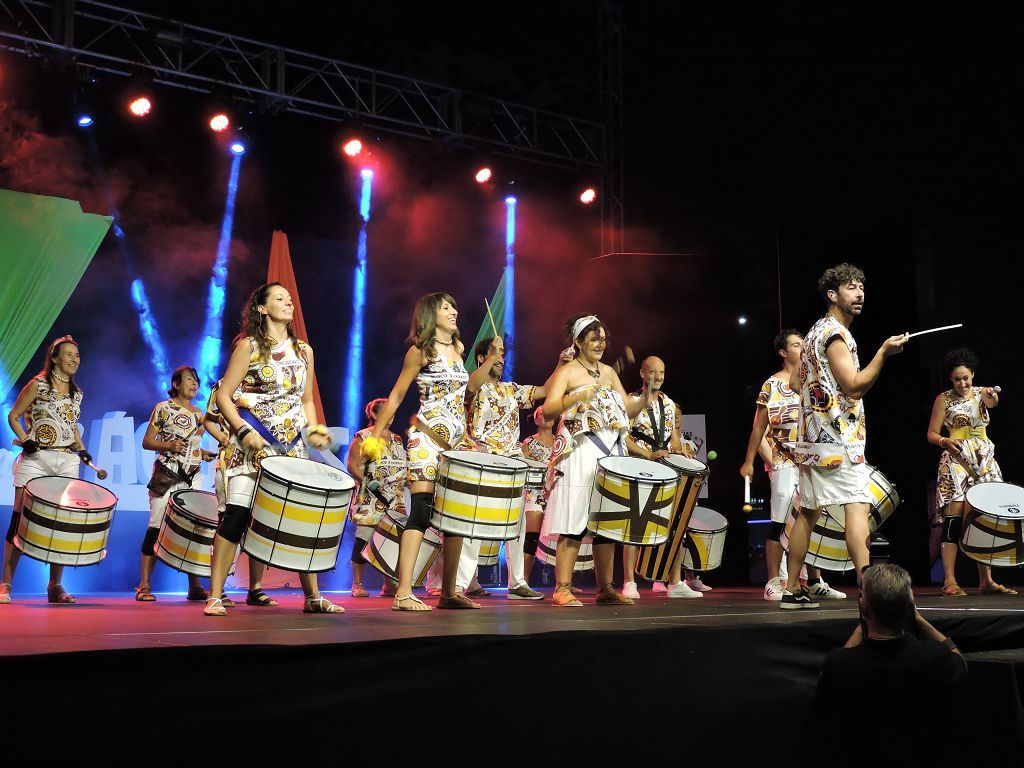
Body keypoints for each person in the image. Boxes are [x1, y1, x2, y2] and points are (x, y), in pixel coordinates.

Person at [203, 282, 342, 616]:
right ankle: (215, 594)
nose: (288, 302)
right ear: (262, 309)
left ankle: (312, 597)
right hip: (251, 444)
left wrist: (315, 430)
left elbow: (306, 399)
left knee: (301, 520)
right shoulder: (249, 346)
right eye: (280, 298)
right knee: (236, 517)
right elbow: (224, 395)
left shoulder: (305, 351)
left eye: (290, 298)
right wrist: (243, 431)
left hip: (292, 447)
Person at [783, 264, 907, 609]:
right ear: (832, 295)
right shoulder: (835, 334)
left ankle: (792, 588)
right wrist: (882, 353)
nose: (860, 293)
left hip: (811, 441)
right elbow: (854, 385)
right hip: (838, 441)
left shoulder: (812, 333)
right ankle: (868, 590)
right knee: (858, 507)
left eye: (862, 287)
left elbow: (795, 384)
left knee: (807, 513)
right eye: (851, 288)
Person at [361, 292, 475, 611]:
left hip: (455, 445)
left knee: (454, 519)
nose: (454, 311)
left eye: (454, 305)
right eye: (446, 307)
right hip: (426, 440)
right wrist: (376, 437)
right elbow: (396, 396)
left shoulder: (459, 348)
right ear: (430, 315)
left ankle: (449, 592)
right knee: (422, 512)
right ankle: (403, 592)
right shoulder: (420, 351)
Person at [542, 314, 654, 607]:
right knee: (575, 519)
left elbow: (628, 410)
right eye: (594, 338)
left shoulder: (608, 372)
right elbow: (549, 409)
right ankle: (562, 587)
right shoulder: (567, 372)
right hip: (580, 451)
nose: (601, 344)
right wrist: (574, 398)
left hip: (611, 451)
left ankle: (605, 587)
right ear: (578, 342)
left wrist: (646, 394)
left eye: (603, 339)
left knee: (608, 521)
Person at [815, 563, 966, 766]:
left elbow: (837, 665)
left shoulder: (840, 664)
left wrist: (864, 621)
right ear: (908, 606)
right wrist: (918, 618)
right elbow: (959, 661)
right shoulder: (933, 656)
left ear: (863, 606)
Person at [741, 331, 846, 602]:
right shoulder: (772, 385)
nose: (802, 348)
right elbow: (759, 428)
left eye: (803, 344)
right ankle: (775, 580)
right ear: (783, 352)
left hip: (811, 461)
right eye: (797, 345)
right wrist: (759, 460)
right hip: (784, 461)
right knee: (780, 519)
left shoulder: (813, 382)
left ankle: (814, 580)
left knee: (813, 518)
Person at [456, 336, 546, 600]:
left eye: (504, 353)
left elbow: (544, 390)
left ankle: (517, 583)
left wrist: (562, 364)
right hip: (482, 460)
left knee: (516, 524)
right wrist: (494, 353)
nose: (502, 357)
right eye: (495, 353)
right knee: (472, 523)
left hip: (512, 464)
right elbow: (472, 385)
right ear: (482, 358)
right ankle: (462, 583)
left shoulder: (511, 389)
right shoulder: (473, 385)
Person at [1, 336, 88, 605]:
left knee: (60, 523)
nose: (75, 359)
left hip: (66, 460)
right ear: (54, 358)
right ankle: (5, 583)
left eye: (77, 354)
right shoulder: (37, 385)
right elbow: (13, 416)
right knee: (20, 516)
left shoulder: (77, 393)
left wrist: (82, 448)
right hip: (36, 458)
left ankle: (55, 585)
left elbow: (71, 424)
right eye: (69, 354)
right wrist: (25, 440)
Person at [927, 348, 1012, 596]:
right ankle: (950, 580)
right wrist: (944, 441)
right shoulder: (944, 399)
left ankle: (986, 580)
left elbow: (992, 402)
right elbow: (931, 433)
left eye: (966, 378)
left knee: (983, 519)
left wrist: (990, 395)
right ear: (950, 380)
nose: (962, 383)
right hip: (955, 461)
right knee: (954, 521)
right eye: (957, 379)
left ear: (973, 374)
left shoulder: (981, 393)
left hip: (984, 461)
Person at [621, 356, 701, 599]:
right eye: (653, 372)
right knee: (634, 524)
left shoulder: (668, 403)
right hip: (640, 467)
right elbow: (623, 437)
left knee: (673, 525)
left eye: (662, 372)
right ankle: (629, 582)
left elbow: (673, 437)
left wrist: (681, 451)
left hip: (666, 469)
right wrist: (647, 454)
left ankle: (675, 582)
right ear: (642, 374)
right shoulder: (631, 402)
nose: (658, 376)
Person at [135, 365, 217, 602]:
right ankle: (144, 586)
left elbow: (190, 447)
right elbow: (147, 442)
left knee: (195, 528)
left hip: (193, 475)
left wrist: (202, 453)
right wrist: (168, 446)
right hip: (167, 474)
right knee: (156, 526)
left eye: (196, 381)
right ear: (176, 384)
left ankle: (194, 586)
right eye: (189, 379)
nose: (194, 384)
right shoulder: (163, 408)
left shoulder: (200, 415)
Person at [346, 397, 405, 598]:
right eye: (386, 412)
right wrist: (371, 483)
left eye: (393, 412)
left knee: (391, 541)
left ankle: (389, 584)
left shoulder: (397, 439)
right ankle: (357, 584)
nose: (392, 417)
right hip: (370, 496)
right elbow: (352, 465)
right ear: (374, 414)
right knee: (364, 538)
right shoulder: (363, 437)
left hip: (394, 497)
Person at [521, 405, 555, 583]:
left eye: (549, 413)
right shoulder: (529, 442)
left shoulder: (561, 443)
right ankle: (523, 579)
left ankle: (563, 583)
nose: (547, 416)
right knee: (531, 539)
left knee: (558, 539)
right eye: (542, 414)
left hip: (555, 495)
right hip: (534, 495)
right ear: (535, 420)